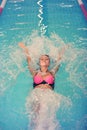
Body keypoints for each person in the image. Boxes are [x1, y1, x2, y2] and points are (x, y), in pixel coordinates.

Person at [19, 42, 68, 130]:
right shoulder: (34, 73)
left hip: (49, 95)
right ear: (39, 62)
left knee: (49, 118)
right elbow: (29, 60)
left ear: (49, 63)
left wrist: (62, 51)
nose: (44, 60)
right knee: (35, 117)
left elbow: (59, 62)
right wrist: (25, 49)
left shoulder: (52, 73)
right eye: (42, 59)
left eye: (46, 59)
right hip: (36, 95)